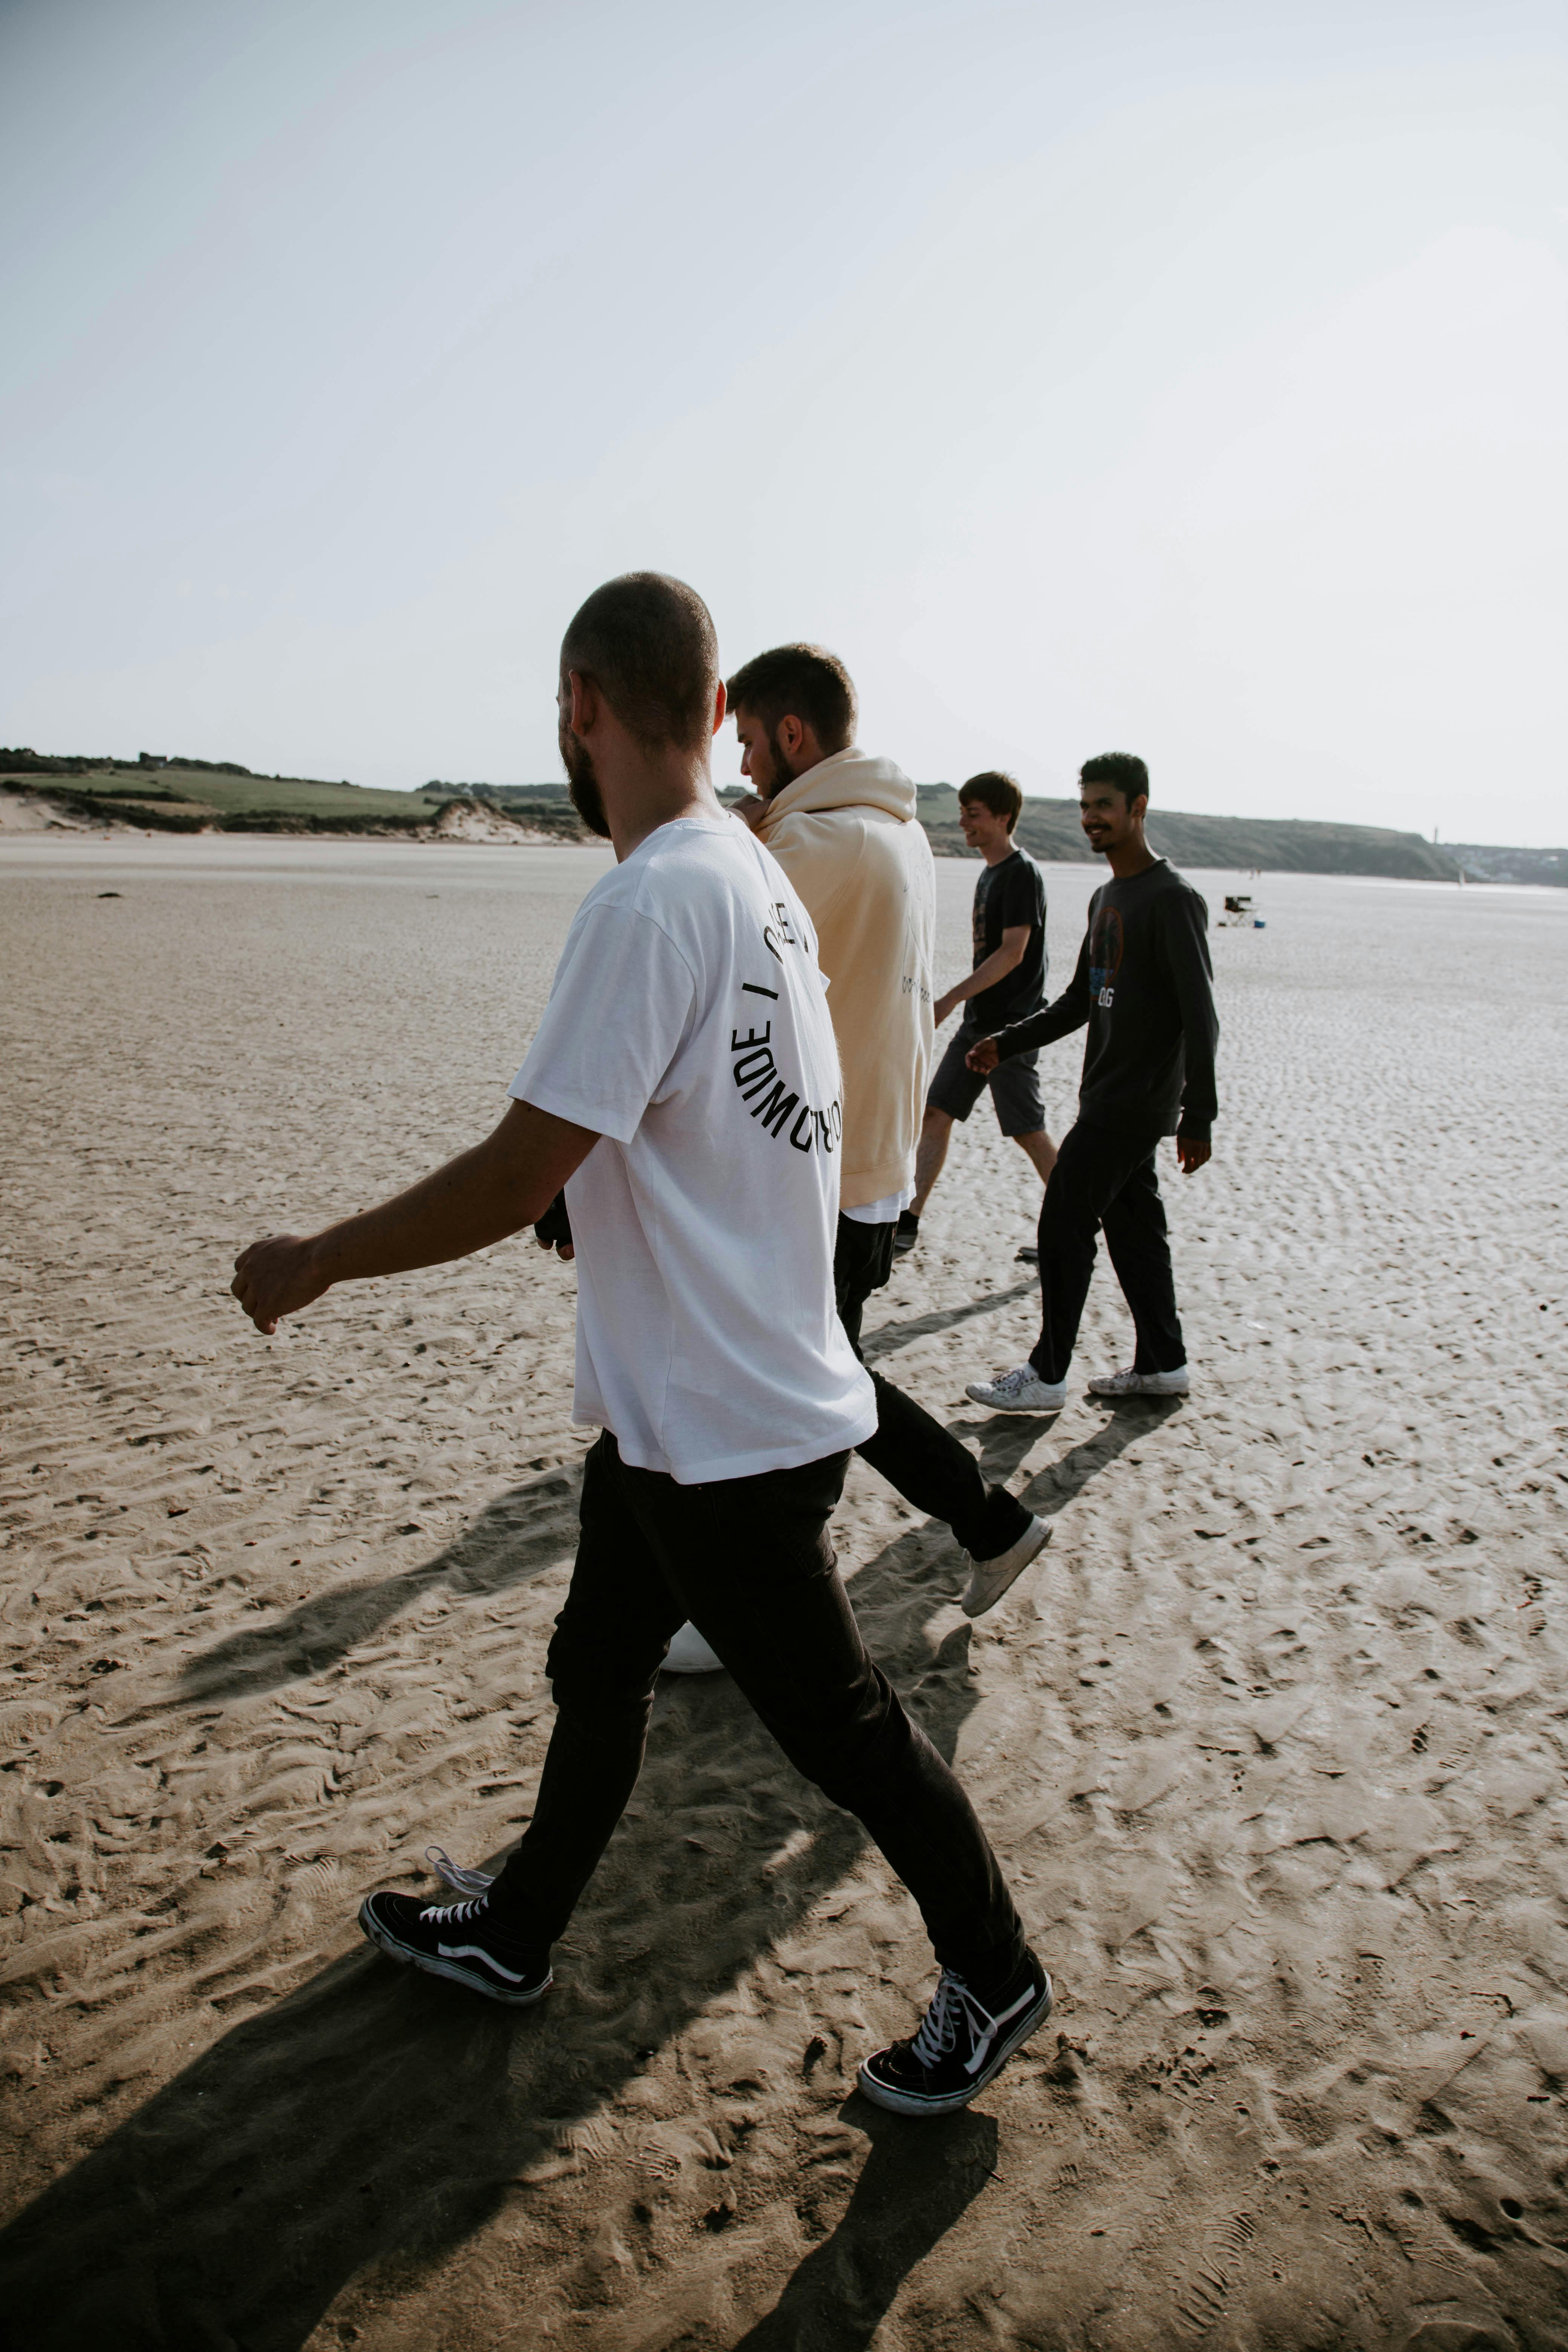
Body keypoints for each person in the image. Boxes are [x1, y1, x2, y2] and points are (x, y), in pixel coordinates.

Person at [230, 573, 1052, 2117]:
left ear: (580, 706)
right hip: (688, 1403)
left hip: (727, 1423)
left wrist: (321, 1258)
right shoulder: (743, 879)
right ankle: (519, 1932)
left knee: (848, 1733)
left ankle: (994, 1972)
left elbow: (511, 1168)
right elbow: (723, 1126)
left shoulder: (653, 893)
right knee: (595, 1662)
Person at [658, 646, 1048, 1674]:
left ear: (793, 736)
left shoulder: (815, 843)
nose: (740, 764)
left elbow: (693, 910)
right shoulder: (897, 832)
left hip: (814, 1167)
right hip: (863, 1159)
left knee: (791, 1384)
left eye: (746, 741)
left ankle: (763, 1609)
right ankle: (989, 1527)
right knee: (819, 1376)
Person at [962, 752, 1217, 1414]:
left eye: (1105, 805)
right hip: (1107, 1093)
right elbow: (1081, 998)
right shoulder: (1109, 896)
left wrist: (1200, 1114)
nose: (1091, 818)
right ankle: (1164, 1362)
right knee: (1136, 1233)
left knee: (1063, 1223)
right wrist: (1005, 1042)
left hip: (1134, 1102)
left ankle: (1047, 1374)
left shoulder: (1173, 899)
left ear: (1138, 807)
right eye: (1085, 806)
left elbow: (1202, 1015)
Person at [894, 773, 1055, 1260]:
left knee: (1027, 1130)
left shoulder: (1020, 873)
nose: (964, 822)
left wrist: (947, 1000)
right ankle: (908, 1221)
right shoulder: (990, 873)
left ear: (1004, 818)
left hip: (1012, 1026)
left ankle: (1075, 1222)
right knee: (936, 1112)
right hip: (979, 1022)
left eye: (974, 813)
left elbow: (1012, 953)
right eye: (963, 812)